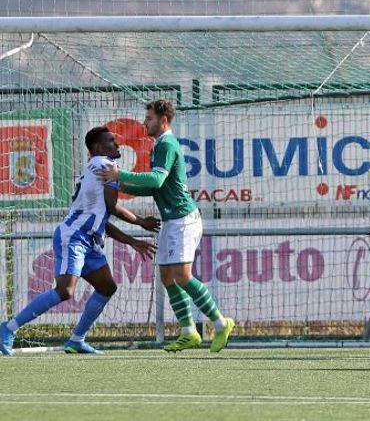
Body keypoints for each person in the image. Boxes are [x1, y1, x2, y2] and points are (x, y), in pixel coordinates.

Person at [0, 127, 157, 355]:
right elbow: (113, 207)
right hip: (74, 237)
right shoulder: (106, 165)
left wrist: (132, 241)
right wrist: (142, 222)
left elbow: (103, 221)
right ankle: (8, 328)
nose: (117, 144)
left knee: (106, 287)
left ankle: (76, 340)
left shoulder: (96, 168)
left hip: (88, 239)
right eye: (111, 141)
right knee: (65, 291)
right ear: (97, 148)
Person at [99, 100, 234, 352]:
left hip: (183, 219)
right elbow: (154, 187)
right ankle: (189, 332)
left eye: (148, 118)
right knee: (167, 276)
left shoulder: (167, 144)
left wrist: (121, 175)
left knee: (182, 276)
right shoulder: (159, 146)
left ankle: (220, 323)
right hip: (172, 221)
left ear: (163, 121)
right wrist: (123, 186)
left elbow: (157, 179)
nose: (144, 122)